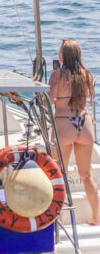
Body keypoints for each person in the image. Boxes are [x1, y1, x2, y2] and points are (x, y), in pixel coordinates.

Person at [49, 39, 99, 224]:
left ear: (64, 55)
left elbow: (50, 100)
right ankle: (96, 217)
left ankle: (59, 219)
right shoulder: (87, 75)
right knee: (86, 174)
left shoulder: (57, 75)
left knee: (58, 174)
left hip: (64, 124)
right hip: (84, 124)